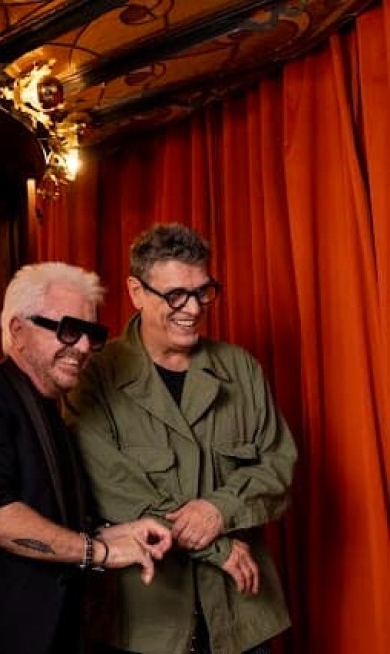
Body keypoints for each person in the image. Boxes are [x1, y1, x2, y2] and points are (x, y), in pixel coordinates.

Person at [0, 262, 172, 654]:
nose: (84, 347)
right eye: (68, 329)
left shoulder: (51, 413)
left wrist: (115, 534)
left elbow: (52, 530)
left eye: (92, 334)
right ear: (18, 330)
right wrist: (100, 552)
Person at [66, 224, 297, 654]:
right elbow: (112, 490)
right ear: (136, 291)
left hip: (241, 617)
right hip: (144, 622)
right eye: (175, 295)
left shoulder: (241, 369)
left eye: (203, 292)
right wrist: (218, 548)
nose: (192, 308)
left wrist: (218, 508)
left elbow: (278, 465)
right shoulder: (95, 375)